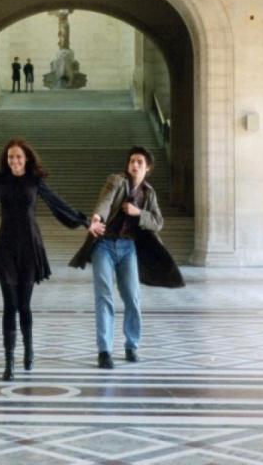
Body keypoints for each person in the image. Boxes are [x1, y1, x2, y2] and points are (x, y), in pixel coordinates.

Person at [0, 139, 94, 381]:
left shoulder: (35, 182)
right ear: (6, 159)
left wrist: (83, 222)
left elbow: (57, 204)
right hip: (5, 247)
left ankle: (29, 349)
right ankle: (9, 360)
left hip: (30, 248)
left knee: (24, 305)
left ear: (27, 159)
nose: (14, 161)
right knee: (9, 305)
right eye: (11, 157)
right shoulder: (0, 181)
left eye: (19, 157)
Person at [70, 146, 183, 369]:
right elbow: (105, 200)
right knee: (104, 296)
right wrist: (96, 218)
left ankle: (132, 345)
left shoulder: (149, 193)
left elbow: (158, 222)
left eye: (140, 162)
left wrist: (137, 213)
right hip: (104, 245)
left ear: (147, 168)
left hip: (128, 247)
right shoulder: (117, 180)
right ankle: (104, 351)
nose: (135, 165)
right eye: (132, 160)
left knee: (132, 297)